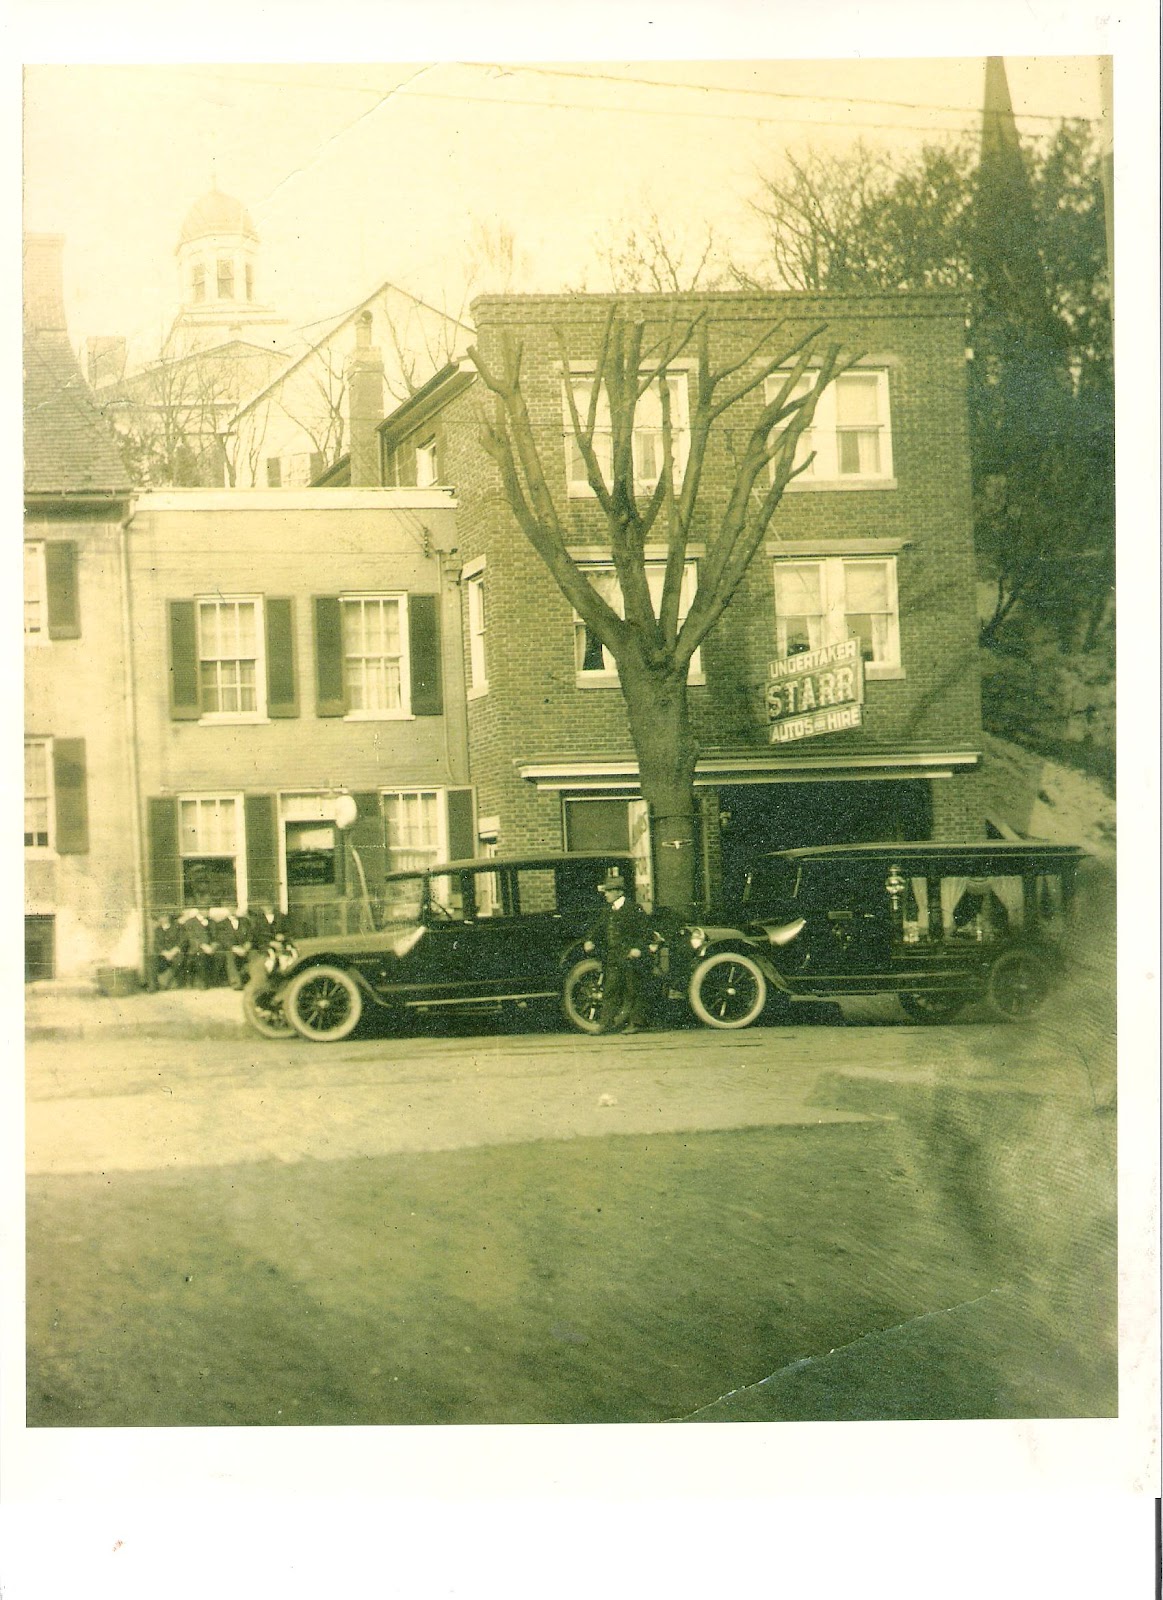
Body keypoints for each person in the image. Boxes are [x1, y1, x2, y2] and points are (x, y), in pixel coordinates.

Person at [583, 869, 657, 1034]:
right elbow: (598, 927)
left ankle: (637, 1023)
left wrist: (638, 948)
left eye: (609, 891)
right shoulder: (609, 910)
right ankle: (605, 1024)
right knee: (611, 989)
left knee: (633, 989)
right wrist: (590, 940)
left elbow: (645, 932)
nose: (606, 894)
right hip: (614, 956)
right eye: (606, 891)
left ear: (619, 892)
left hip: (631, 956)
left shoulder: (633, 909)